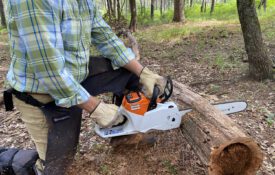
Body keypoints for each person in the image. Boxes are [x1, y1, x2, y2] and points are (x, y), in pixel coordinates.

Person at [0, 0, 166, 175]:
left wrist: (143, 72)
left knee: (129, 73)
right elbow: (49, 69)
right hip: (41, 92)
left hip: (74, 75)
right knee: (57, 169)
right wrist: (96, 108)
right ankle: (11, 163)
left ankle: (125, 135)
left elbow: (105, 36)